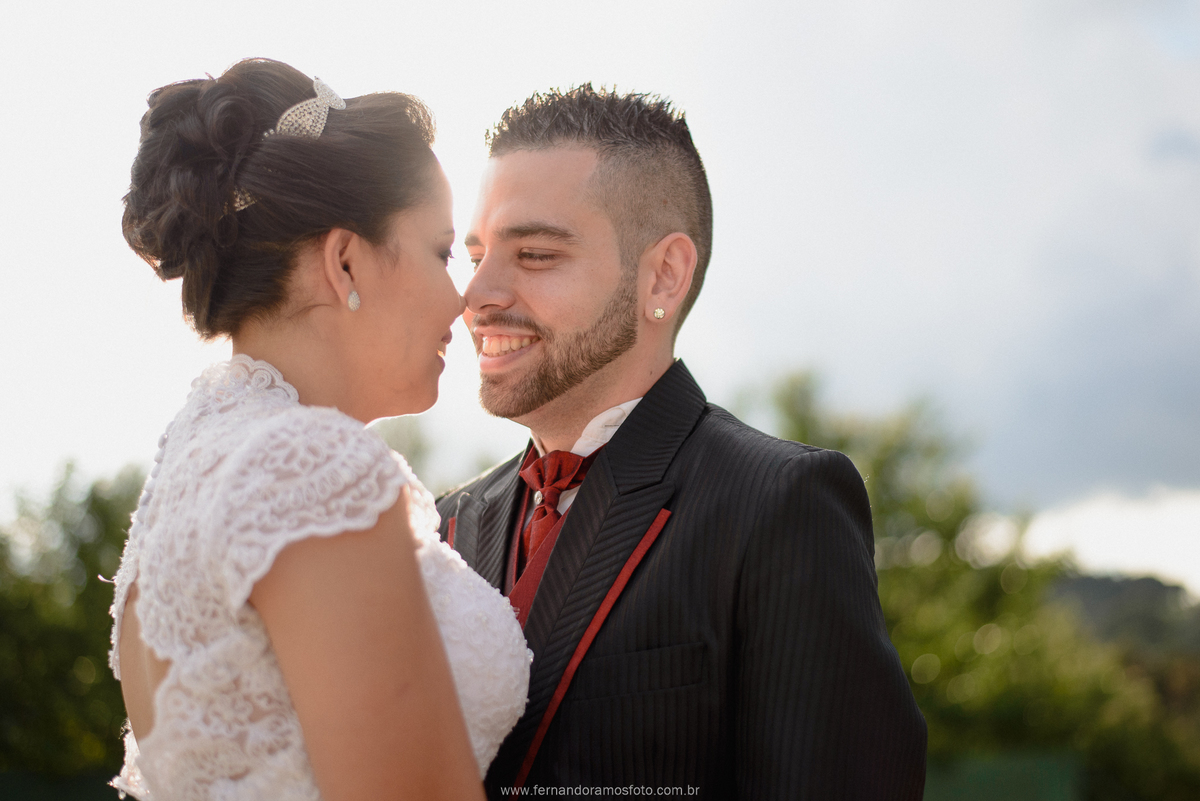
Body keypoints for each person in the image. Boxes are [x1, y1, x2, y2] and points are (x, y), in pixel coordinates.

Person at [436, 85, 928, 798]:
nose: (476, 293)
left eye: (535, 253)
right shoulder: (449, 523)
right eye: (476, 254)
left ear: (662, 274)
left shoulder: (778, 504)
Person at [109, 58, 530, 801]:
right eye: (439, 251)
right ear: (344, 262)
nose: (462, 298)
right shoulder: (306, 465)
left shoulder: (193, 464)